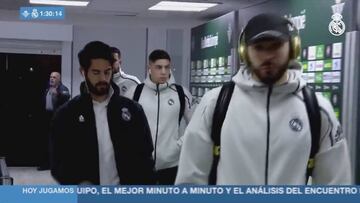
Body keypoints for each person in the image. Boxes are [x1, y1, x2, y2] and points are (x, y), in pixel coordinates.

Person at [175, 13, 351, 185]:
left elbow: (336, 184)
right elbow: (190, 179)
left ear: (292, 48)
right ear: (245, 52)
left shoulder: (318, 109)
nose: (268, 56)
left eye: (275, 46)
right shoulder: (216, 103)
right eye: (259, 47)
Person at [50, 41, 155, 185]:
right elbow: (58, 162)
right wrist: (77, 182)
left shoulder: (133, 111)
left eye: (107, 72)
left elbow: (146, 158)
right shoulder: (67, 114)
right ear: (83, 72)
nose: (103, 78)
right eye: (96, 72)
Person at [124, 49, 194, 185]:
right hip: (140, 165)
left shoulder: (181, 93)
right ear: (149, 67)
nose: (163, 72)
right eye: (158, 67)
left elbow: (196, 124)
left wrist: (179, 145)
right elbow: (124, 127)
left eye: (167, 67)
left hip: (172, 166)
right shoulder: (135, 93)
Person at [39, 71, 70, 170]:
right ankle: (47, 164)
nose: (51, 79)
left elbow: (66, 97)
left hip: (58, 118)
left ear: (59, 79)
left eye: (54, 77)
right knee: (46, 142)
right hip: (47, 117)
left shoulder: (63, 89)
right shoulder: (48, 89)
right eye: (51, 77)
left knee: (57, 143)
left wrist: (58, 94)